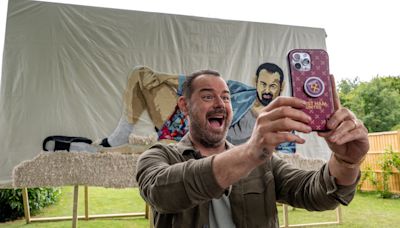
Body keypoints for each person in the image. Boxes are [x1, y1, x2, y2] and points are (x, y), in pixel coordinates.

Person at [136, 69, 369, 227]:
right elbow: (162, 193)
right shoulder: (158, 156)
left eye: (226, 98)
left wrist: (346, 162)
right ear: (184, 106)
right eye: (208, 97)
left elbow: (314, 194)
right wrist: (249, 152)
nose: (220, 104)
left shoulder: (263, 162)